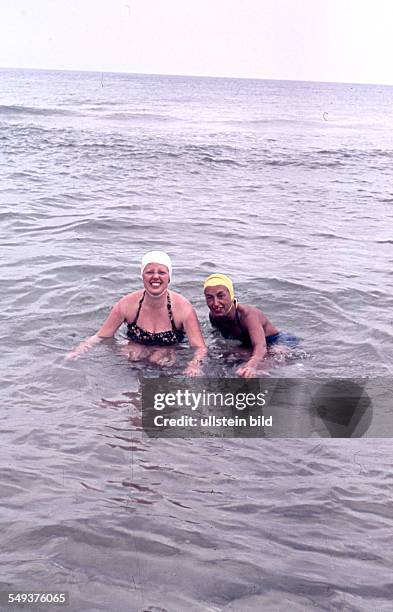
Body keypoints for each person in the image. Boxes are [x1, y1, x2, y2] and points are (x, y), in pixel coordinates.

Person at [67, 251, 207, 375]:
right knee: (130, 355)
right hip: (136, 347)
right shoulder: (126, 304)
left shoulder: (183, 308)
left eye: (162, 272)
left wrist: (194, 366)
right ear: (142, 276)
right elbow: (102, 336)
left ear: (169, 277)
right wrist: (78, 351)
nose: (155, 277)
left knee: (159, 359)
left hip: (169, 351)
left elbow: (199, 347)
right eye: (149, 272)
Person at [203, 273, 298, 378]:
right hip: (248, 345)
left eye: (221, 296)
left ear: (231, 295)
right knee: (222, 358)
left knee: (263, 366)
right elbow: (217, 337)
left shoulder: (248, 315)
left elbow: (260, 346)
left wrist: (251, 366)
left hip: (277, 342)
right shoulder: (214, 316)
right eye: (210, 298)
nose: (215, 303)